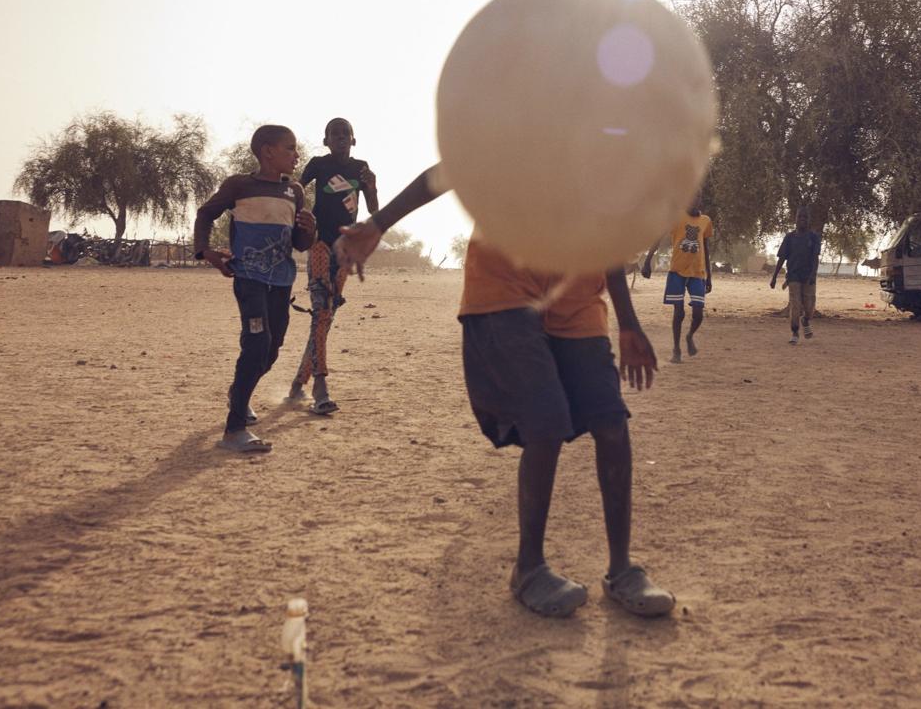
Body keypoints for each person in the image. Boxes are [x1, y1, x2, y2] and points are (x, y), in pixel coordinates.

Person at [336, 165, 676, 618]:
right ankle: (529, 568)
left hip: (577, 294)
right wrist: (378, 223)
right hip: (504, 286)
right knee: (546, 422)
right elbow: (454, 166)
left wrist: (629, 325)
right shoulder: (522, 123)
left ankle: (622, 569)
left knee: (611, 422)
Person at [194, 125, 317, 452]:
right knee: (256, 343)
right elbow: (206, 213)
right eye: (290, 148)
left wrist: (310, 231)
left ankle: (240, 393)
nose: (296, 155)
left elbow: (300, 244)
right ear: (267, 151)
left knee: (272, 349)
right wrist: (205, 250)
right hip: (249, 278)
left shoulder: (295, 191)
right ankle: (233, 430)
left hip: (281, 281)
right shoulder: (239, 185)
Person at [287, 118, 377, 414]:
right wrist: (299, 224)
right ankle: (319, 386)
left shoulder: (361, 169)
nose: (340, 137)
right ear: (325, 141)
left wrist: (372, 186)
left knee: (326, 317)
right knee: (321, 312)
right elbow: (296, 192)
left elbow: (374, 211)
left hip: (345, 251)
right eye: (333, 134)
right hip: (319, 244)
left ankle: (298, 383)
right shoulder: (318, 164)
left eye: (345, 133)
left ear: (354, 139)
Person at [640, 196, 713, 363]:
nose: (693, 202)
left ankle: (689, 336)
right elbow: (658, 239)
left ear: (700, 202)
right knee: (678, 312)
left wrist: (710, 277)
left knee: (698, 313)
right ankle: (676, 349)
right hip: (677, 272)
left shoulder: (705, 221)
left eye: (697, 200)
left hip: (698, 273)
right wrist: (647, 262)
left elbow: (706, 248)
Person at [770, 207, 821, 345]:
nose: (802, 220)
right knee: (795, 305)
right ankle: (795, 332)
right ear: (796, 219)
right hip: (793, 276)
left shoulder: (813, 237)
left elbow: (815, 258)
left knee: (809, 307)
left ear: (808, 220)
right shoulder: (790, 238)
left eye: (805, 217)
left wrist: (813, 275)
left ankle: (805, 321)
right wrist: (774, 277)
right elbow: (781, 258)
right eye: (800, 217)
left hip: (809, 277)